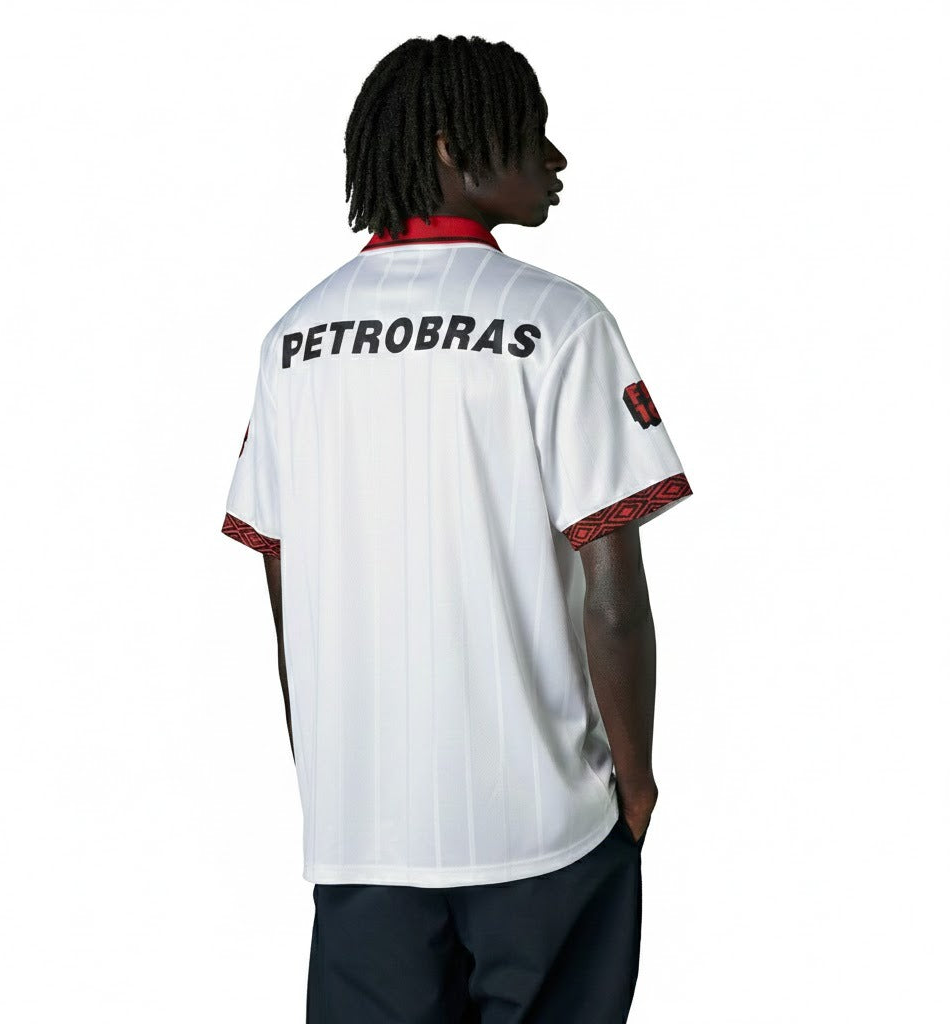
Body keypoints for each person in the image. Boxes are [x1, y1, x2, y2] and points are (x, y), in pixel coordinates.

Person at [221, 33, 692, 1024]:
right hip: (546, 829)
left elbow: (283, 588)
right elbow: (613, 598)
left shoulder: (292, 340)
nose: (555, 158)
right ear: (448, 146)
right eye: (530, 131)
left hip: (361, 836)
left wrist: (329, 769)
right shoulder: (559, 323)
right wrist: (638, 781)